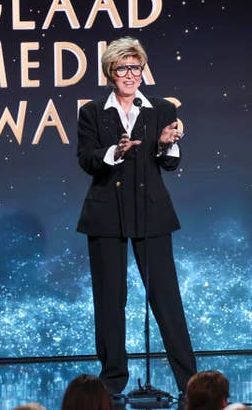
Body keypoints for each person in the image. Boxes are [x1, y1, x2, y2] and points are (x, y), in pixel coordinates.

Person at [76, 37, 196, 396]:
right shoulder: (92, 112)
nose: (130, 74)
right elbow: (86, 159)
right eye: (122, 68)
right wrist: (115, 151)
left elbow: (170, 164)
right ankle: (113, 382)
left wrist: (165, 144)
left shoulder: (160, 108)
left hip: (151, 214)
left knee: (166, 298)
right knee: (110, 300)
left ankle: (189, 383)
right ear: (110, 73)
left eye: (136, 67)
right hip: (106, 216)